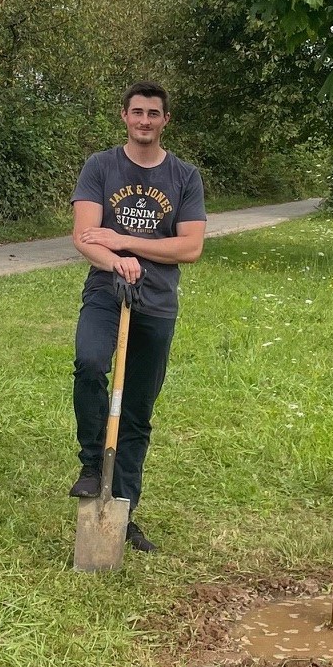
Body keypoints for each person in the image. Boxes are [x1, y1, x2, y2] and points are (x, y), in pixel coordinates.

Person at [67, 83, 206, 554]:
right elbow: (85, 237)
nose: (145, 120)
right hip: (106, 292)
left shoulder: (184, 176)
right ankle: (92, 465)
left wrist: (124, 241)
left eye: (153, 113)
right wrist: (114, 261)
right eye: (137, 112)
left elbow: (190, 246)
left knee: (137, 410)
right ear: (124, 116)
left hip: (157, 301)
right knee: (90, 363)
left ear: (165, 120)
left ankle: (122, 512)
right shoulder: (101, 166)